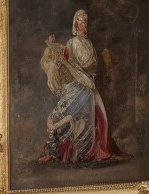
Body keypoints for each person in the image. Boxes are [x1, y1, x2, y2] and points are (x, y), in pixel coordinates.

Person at [37, 9, 124, 165]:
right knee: (63, 114)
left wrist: (84, 74)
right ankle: (56, 150)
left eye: (85, 22)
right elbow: (66, 63)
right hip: (76, 84)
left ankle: (86, 150)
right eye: (80, 21)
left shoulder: (89, 43)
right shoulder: (71, 43)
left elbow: (92, 66)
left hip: (88, 83)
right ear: (75, 24)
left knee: (98, 117)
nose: (83, 25)